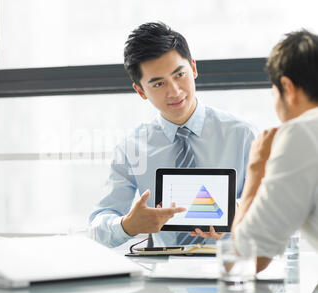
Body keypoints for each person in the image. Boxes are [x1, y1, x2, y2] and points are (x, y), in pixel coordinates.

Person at [89, 22, 257, 248]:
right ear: (141, 91)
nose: (175, 91)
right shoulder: (132, 148)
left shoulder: (242, 135)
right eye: (158, 84)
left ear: (194, 69)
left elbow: (272, 206)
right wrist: (128, 224)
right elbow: (98, 226)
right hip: (163, 273)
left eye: (180, 75)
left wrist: (235, 214)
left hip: (230, 268)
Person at [232, 30, 318, 272]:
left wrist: (257, 167)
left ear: (287, 87)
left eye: (273, 92)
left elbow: (247, 257)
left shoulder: (301, 133)